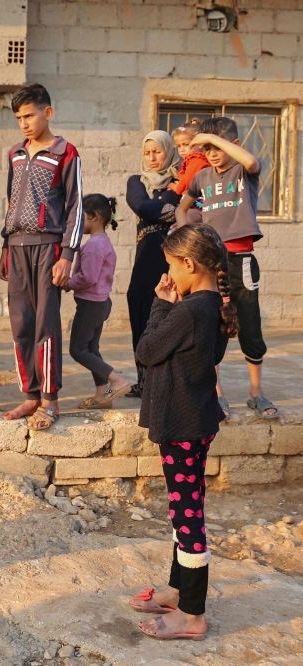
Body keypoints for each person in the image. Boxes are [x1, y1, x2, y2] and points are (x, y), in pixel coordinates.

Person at [130, 224, 236, 642]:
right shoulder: (208, 305)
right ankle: (178, 591)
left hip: (183, 424)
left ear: (189, 264)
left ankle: (192, 614)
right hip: (195, 422)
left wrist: (160, 306)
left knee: (188, 517)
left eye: (172, 265)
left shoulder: (189, 311)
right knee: (184, 509)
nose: (169, 273)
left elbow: (147, 350)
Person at [177, 116, 278, 420]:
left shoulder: (243, 171)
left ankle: (256, 392)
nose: (211, 153)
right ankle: (217, 393)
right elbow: (183, 210)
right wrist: (190, 238)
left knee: (249, 324)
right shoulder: (202, 177)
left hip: (241, 260)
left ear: (232, 145)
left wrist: (210, 138)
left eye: (216, 146)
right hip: (211, 264)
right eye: (206, 148)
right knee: (211, 325)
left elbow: (250, 159)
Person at [0, 83, 83, 430]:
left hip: (49, 249)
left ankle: (50, 400)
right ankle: (30, 395)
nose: (24, 123)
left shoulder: (66, 152)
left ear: (48, 112)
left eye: (29, 115)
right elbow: (9, 201)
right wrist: (5, 245)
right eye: (18, 118)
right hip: (16, 248)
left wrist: (67, 255)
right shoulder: (15, 153)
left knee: (46, 324)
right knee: (21, 324)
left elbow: (76, 205)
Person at [125, 131, 181, 398]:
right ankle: (144, 381)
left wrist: (174, 205)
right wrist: (172, 210)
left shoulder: (182, 180)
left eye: (157, 151)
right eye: (148, 152)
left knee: (169, 320)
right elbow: (140, 204)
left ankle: (166, 382)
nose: (152, 157)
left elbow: (160, 208)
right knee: (141, 316)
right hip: (145, 262)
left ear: (168, 151)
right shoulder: (137, 181)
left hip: (173, 264)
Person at [66, 194, 129, 409]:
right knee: (91, 349)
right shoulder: (103, 242)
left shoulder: (93, 245)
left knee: (78, 350)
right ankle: (102, 395)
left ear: (94, 217)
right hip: (101, 303)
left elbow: (88, 277)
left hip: (90, 304)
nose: (77, 223)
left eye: (80, 217)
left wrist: (68, 282)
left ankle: (117, 381)